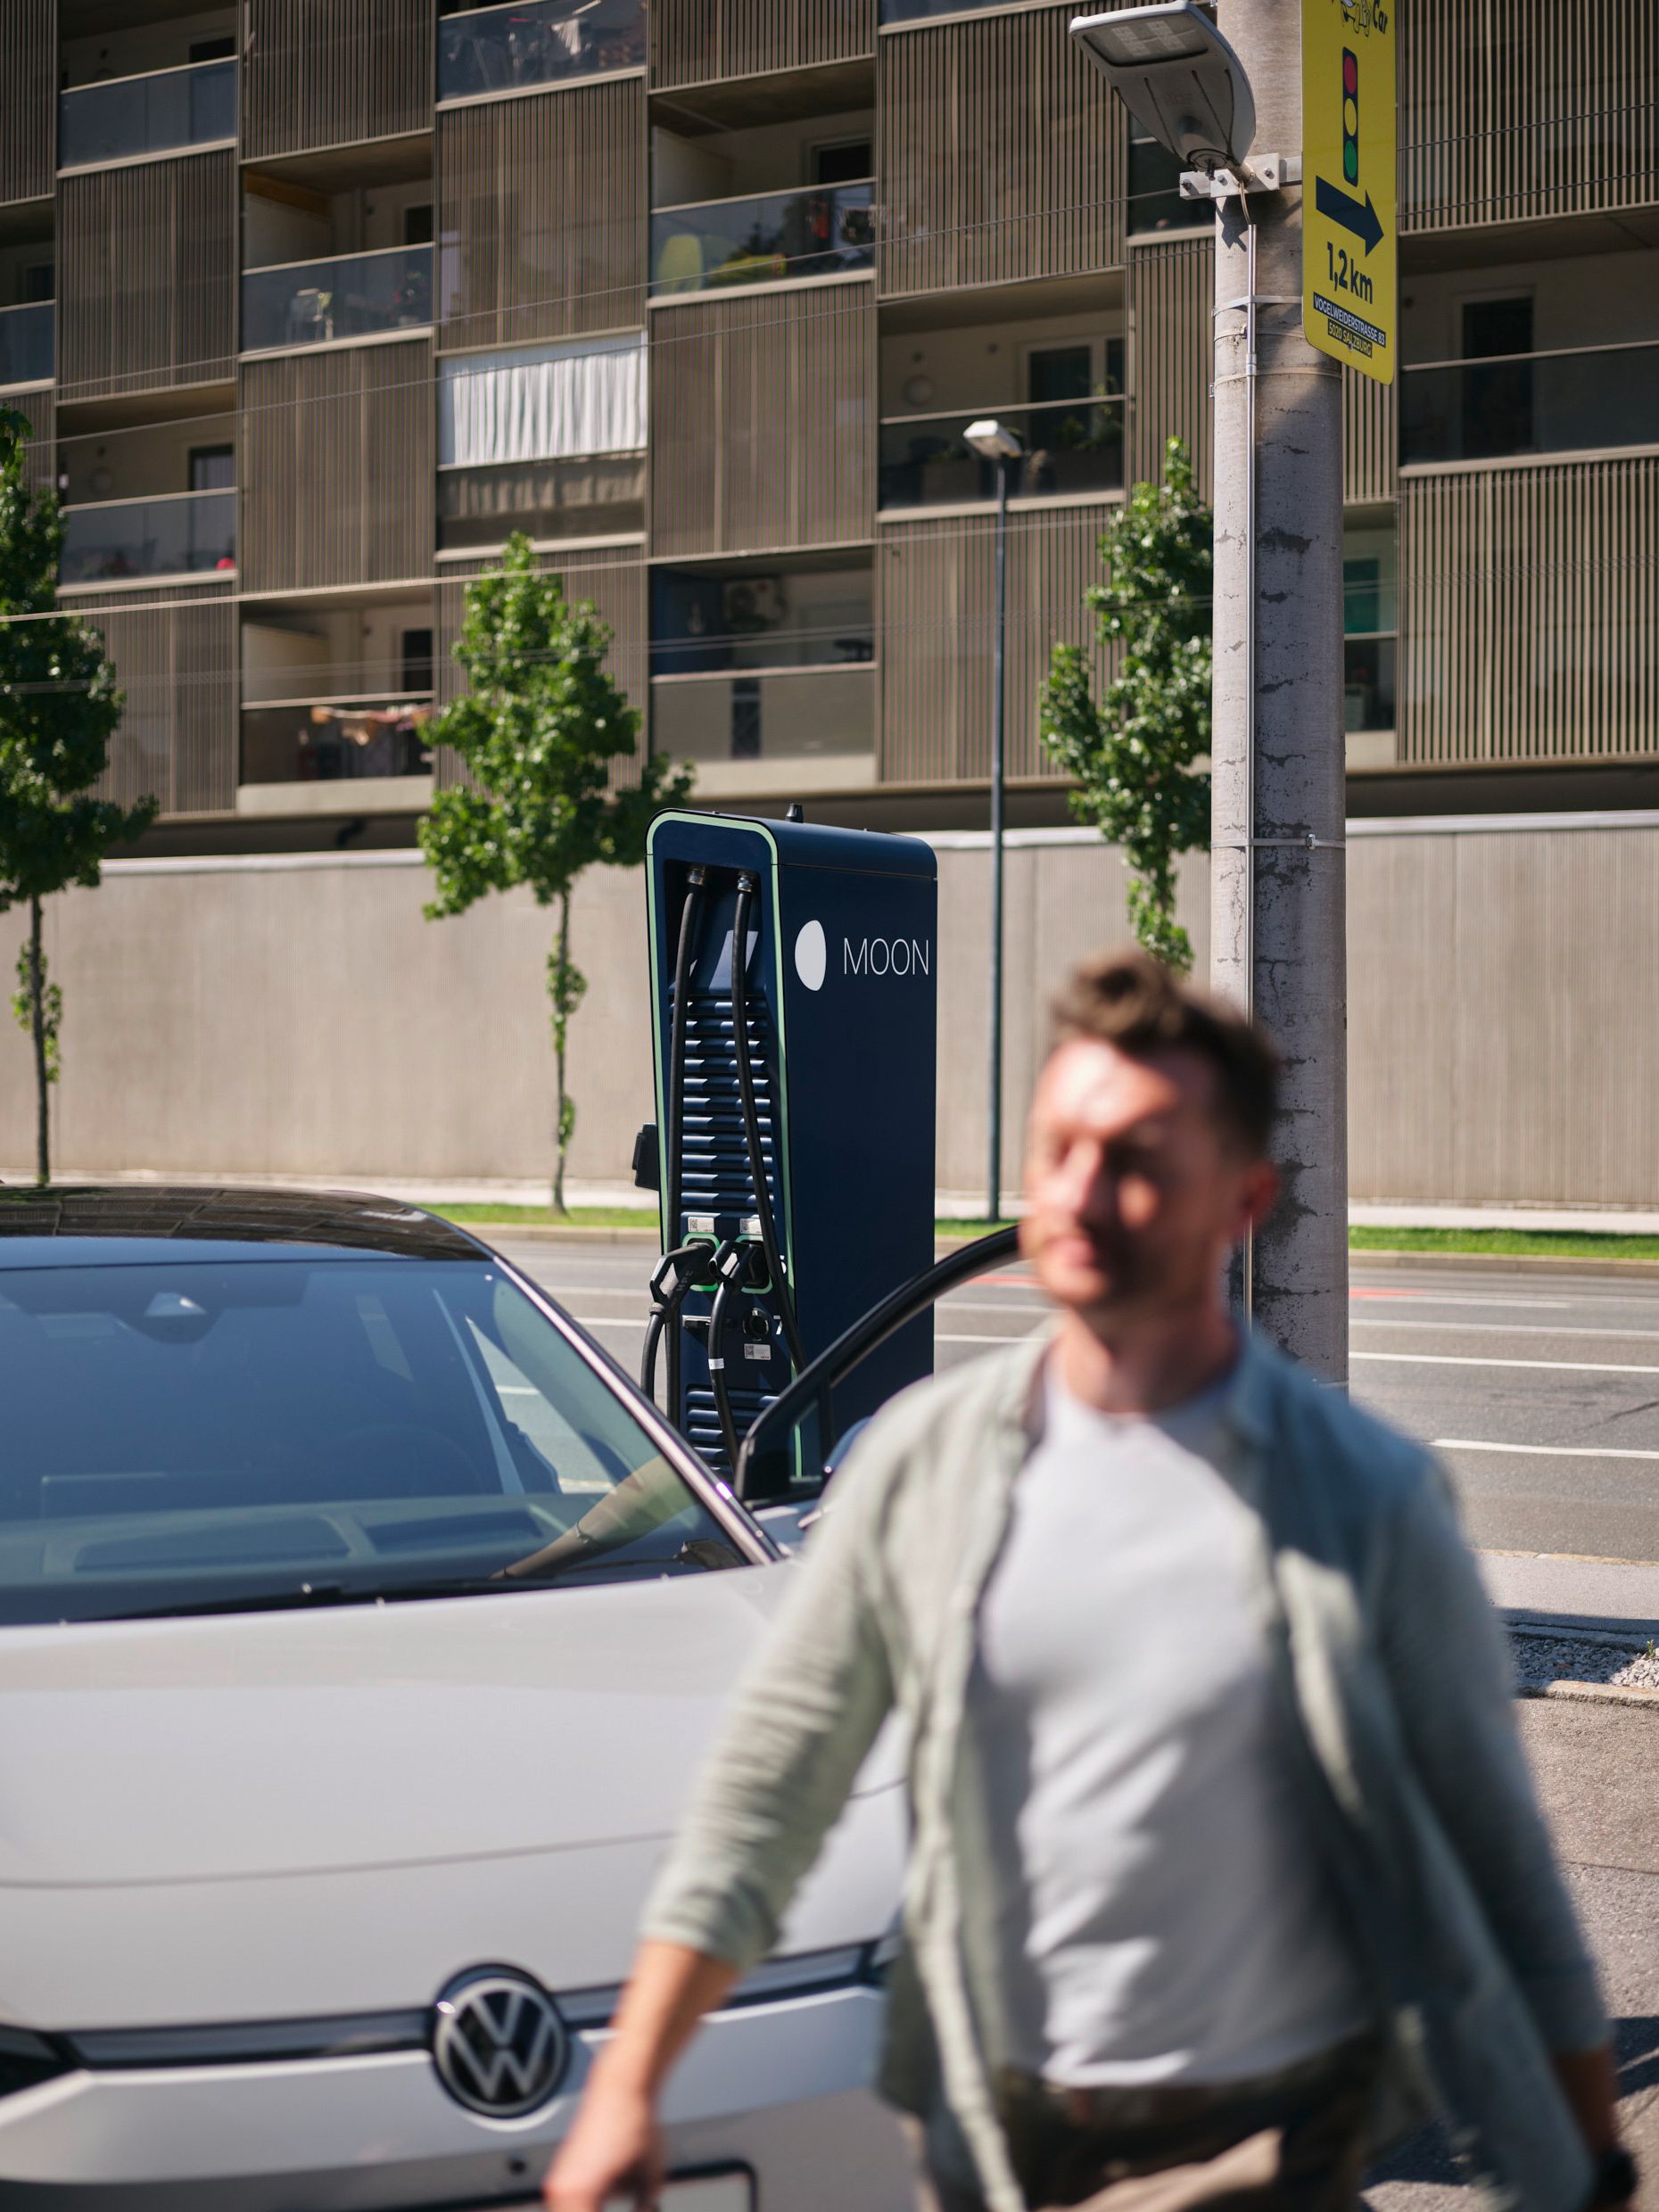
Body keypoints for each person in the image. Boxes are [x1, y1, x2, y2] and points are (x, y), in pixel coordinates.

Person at [546, 950, 1632, 2212]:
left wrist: (1587, 2167)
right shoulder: (922, 1468)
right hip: (993, 2150)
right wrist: (628, 2093)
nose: (1084, 1192)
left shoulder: (1364, 1502)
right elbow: (765, 1796)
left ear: (1242, 1199)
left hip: (1261, 2151)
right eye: (1060, 1148)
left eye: (1138, 1161)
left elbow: (1503, 1871)